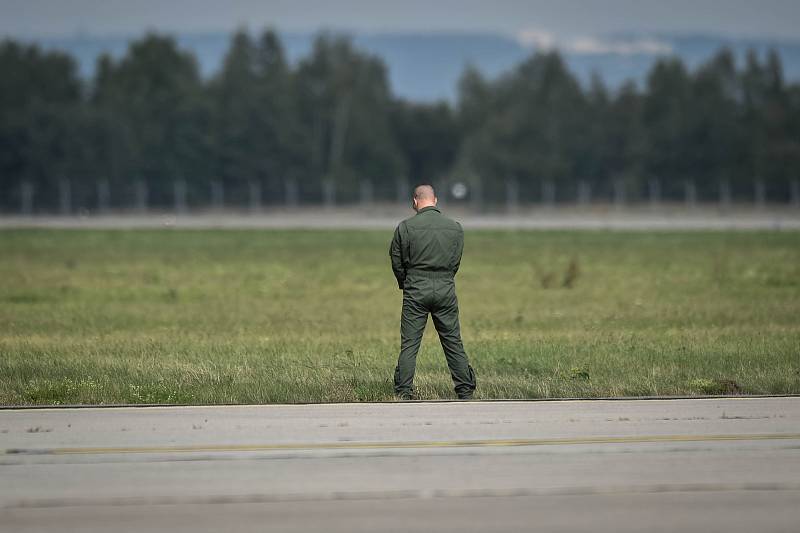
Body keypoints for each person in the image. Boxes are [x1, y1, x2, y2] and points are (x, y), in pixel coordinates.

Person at [389, 184, 477, 400]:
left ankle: (404, 391)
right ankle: (465, 389)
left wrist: (406, 282)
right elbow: (456, 260)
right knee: (452, 339)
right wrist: (445, 278)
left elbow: (396, 260)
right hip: (445, 287)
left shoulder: (405, 227)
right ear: (435, 201)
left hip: (415, 288)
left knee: (410, 343)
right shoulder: (455, 228)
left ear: (414, 201)